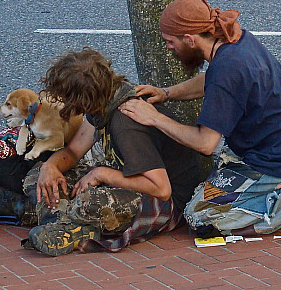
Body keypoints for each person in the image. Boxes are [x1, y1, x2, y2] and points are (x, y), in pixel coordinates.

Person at [118, 0, 281, 237]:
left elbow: (205, 143)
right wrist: (167, 94)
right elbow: (213, 81)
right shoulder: (235, 41)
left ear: (189, 39)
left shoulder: (227, 70)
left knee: (199, 218)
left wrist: (154, 118)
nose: (168, 48)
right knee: (219, 176)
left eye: (170, 41)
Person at [24, 47, 200, 256]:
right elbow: (73, 151)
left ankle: (66, 225)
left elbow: (162, 189)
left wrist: (103, 174)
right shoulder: (103, 101)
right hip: (127, 178)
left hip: (166, 203)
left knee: (89, 203)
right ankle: (65, 225)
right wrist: (50, 167)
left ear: (82, 100)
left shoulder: (126, 123)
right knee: (39, 177)